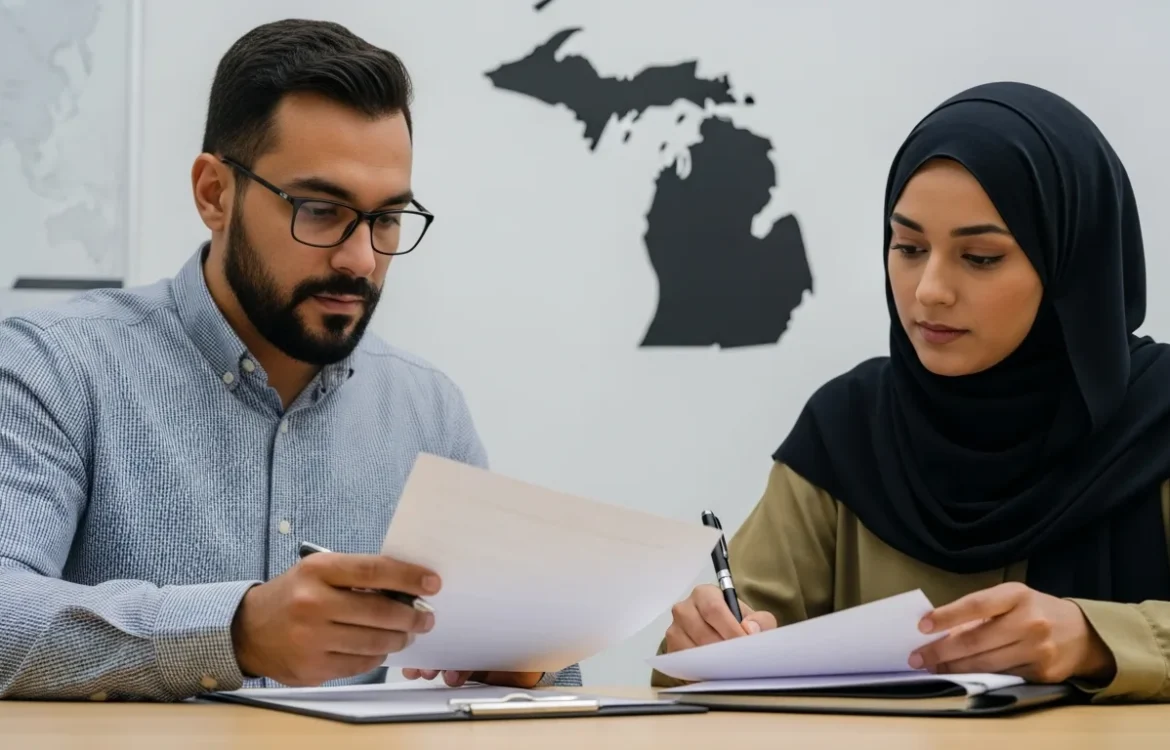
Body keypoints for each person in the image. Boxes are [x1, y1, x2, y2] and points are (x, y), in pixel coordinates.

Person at [0, 18, 580, 700]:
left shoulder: (428, 411)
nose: (361, 259)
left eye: (387, 218)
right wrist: (236, 631)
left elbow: (534, 663)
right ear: (215, 194)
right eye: (320, 210)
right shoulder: (56, 369)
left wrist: (525, 668)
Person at [655, 81, 1170, 703]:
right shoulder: (851, 427)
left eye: (979, 257)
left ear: (1071, 266)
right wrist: (702, 646)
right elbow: (710, 660)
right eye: (908, 247)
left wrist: (1098, 639)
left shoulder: (1158, 420)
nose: (929, 290)